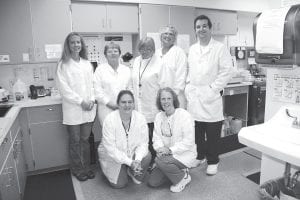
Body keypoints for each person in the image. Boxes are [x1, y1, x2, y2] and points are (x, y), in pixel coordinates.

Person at [185, 15, 233, 175]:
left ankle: (213, 160)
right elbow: (189, 70)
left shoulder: (219, 48)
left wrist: (213, 88)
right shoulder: (192, 49)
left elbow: (227, 71)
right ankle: (200, 156)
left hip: (211, 96)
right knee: (197, 130)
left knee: (212, 131)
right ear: (195, 30)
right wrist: (188, 86)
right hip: (194, 97)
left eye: (204, 26)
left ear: (210, 28)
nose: (201, 29)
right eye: (198, 27)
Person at [56, 32, 96, 181]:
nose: (76, 45)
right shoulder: (63, 64)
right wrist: (81, 102)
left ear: (82, 44)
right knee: (75, 141)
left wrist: (91, 99)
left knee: (85, 140)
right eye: (72, 42)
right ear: (68, 45)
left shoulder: (87, 63)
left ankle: (87, 168)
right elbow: (64, 89)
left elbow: (93, 84)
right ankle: (78, 169)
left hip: (88, 109)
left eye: (78, 42)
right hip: (73, 109)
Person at [98, 90, 151, 188]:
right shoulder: (109, 120)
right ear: (118, 104)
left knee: (147, 156)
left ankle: (132, 172)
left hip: (132, 153)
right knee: (120, 185)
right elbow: (111, 149)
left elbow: (143, 143)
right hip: (113, 156)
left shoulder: (140, 118)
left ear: (133, 104)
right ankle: (125, 167)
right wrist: (130, 162)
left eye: (130, 102)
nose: (127, 105)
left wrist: (138, 160)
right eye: (123, 102)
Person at [148, 87, 197, 193]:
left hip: (184, 154)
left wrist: (170, 150)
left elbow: (189, 142)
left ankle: (183, 179)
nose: (166, 102)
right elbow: (156, 138)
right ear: (159, 101)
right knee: (153, 182)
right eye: (163, 99)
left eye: (168, 98)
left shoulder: (184, 115)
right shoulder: (158, 116)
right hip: (165, 155)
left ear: (174, 99)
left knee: (158, 161)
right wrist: (160, 149)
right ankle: (177, 170)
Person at [131, 37, 171, 163]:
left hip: (154, 106)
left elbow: (165, 86)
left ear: (153, 50)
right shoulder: (136, 61)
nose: (145, 51)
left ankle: (156, 161)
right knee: (142, 136)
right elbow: (134, 82)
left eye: (149, 48)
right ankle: (145, 161)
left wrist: (163, 105)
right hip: (139, 106)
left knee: (155, 136)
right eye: (142, 48)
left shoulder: (160, 63)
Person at [94, 42, 131, 126]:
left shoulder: (126, 70)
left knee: (124, 132)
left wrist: (126, 104)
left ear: (119, 53)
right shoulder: (100, 70)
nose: (113, 53)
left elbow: (129, 89)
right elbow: (97, 91)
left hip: (124, 107)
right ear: (105, 55)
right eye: (110, 51)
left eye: (115, 51)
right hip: (106, 108)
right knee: (108, 134)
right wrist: (109, 104)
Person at [156, 25, 188, 108]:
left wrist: (172, 97)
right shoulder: (156, 53)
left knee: (176, 119)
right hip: (160, 97)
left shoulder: (179, 52)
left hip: (175, 97)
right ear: (161, 36)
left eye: (171, 34)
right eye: (165, 33)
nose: (168, 36)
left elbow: (181, 77)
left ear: (175, 38)